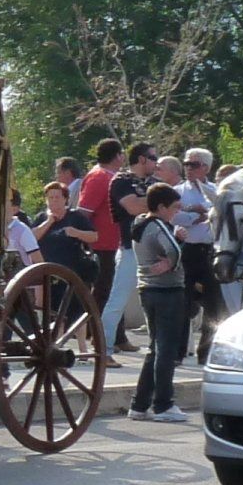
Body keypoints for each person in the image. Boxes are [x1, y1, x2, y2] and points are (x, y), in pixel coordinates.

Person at [128, 183, 190, 424]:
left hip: (147, 290)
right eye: (174, 207)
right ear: (161, 207)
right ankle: (163, 404)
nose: (176, 212)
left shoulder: (140, 224)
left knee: (155, 348)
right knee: (167, 349)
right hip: (168, 291)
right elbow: (174, 251)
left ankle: (139, 404)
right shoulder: (158, 226)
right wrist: (177, 246)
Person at [99, 142, 157, 352]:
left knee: (155, 302)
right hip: (130, 248)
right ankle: (103, 350)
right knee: (117, 301)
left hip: (156, 251)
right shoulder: (121, 181)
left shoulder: (155, 182)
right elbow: (132, 207)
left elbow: (172, 207)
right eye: (153, 158)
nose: (156, 163)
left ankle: (159, 348)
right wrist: (158, 202)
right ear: (141, 159)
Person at [76, 138, 124, 355]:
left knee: (115, 290)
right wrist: (87, 240)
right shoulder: (98, 177)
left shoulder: (112, 177)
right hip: (101, 243)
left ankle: (119, 336)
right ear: (117, 156)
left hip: (114, 243)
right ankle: (94, 332)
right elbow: (84, 212)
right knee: (103, 290)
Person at [177, 147, 223, 360]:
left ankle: (206, 352)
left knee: (213, 303)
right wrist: (190, 214)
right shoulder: (178, 192)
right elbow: (170, 216)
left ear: (206, 167)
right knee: (184, 301)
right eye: (185, 164)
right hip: (187, 250)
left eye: (193, 165)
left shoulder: (217, 190)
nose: (188, 169)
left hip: (209, 250)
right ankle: (179, 350)